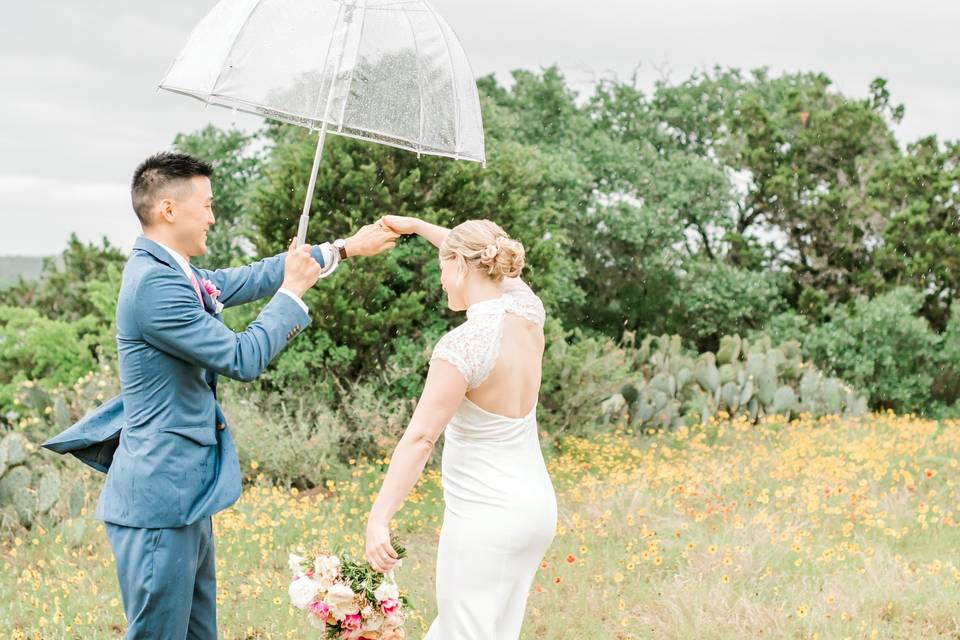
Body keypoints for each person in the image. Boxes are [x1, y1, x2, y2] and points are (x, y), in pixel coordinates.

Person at [43, 151, 398, 639]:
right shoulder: (154, 285)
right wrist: (292, 296)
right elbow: (241, 358)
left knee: (197, 634)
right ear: (169, 209)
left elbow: (250, 278)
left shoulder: (177, 272)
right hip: (157, 499)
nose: (213, 216)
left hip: (185, 493)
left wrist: (342, 249)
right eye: (206, 206)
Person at [365, 216, 558, 640]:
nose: (441, 282)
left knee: (462, 631)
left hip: (486, 518)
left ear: (459, 264)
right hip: (535, 510)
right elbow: (479, 255)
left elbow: (420, 438)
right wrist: (416, 225)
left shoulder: (462, 346)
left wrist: (379, 518)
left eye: (441, 268)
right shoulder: (527, 311)